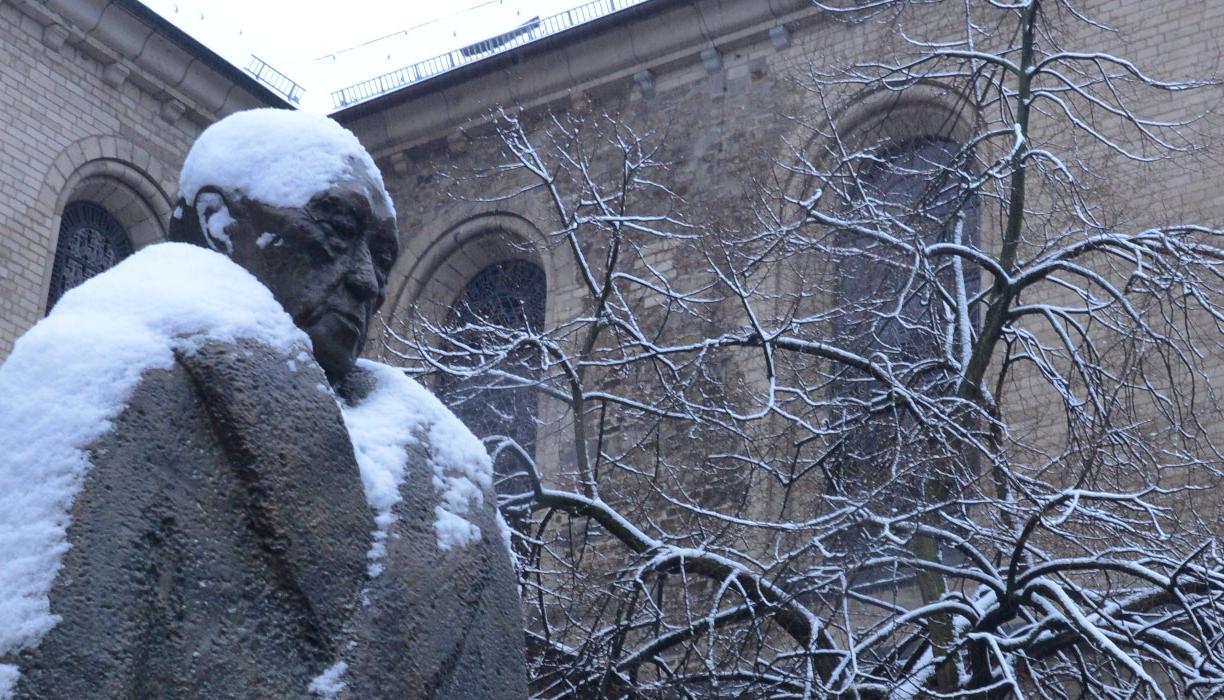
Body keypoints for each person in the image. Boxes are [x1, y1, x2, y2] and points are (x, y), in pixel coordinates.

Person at [0, 109, 525, 699]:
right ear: (219, 224)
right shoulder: (98, 378)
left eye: (381, 259)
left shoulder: (454, 483)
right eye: (335, 231)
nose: (367, 283)